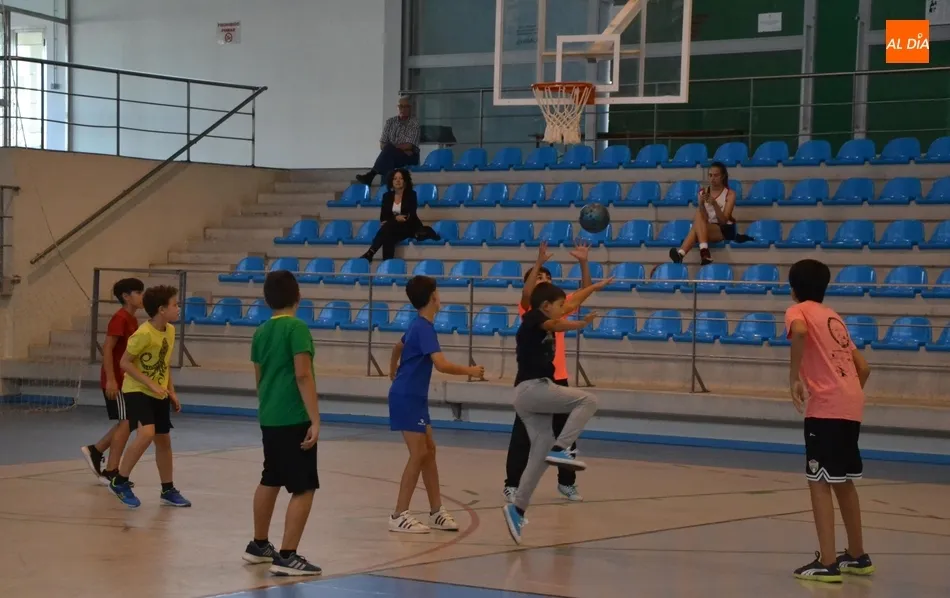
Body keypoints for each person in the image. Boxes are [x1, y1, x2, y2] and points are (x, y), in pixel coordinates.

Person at [503, 280, 611, 545]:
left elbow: (572, 304)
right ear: (545, 306)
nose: (564, 310)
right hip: (533, 389)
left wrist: (593, 288)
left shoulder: (545, 316)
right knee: (588, 400)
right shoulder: (533, 318)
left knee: (539, 455)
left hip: (530, 394)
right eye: (560, 305)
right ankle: (562, 448)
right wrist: (581, 324)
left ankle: (517, 509)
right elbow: (554, 324)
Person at [786, 259, 874, 583]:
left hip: (825, 409)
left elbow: (798, 331)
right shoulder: (834, 317)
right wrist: (845, 396)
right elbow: (863, 368)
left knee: (819, 482)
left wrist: (793, 377)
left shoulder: (798, 311)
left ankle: (827, 561)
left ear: (793, 290)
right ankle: (857, 555)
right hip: (852, 404)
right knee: (843, 481)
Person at [387, 275, 485, 533]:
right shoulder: (424, 328)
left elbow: (397, 347)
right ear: (433, 297)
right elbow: (440, 364)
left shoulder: (418, 325)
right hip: (407, 397)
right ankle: (398, 514)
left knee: (429, 450)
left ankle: (436, 511)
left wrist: (392, 370)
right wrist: (470, 370)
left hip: (413, 396)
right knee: (419, 453)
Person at [243, 270, 322, 576]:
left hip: (269, 416)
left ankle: (259, 545)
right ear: (297, 296)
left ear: (267, 300)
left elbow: (259, 377)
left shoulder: (260, 332)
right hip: (293, 416)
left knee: (271, 477)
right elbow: (303, 374)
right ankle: (288, 555)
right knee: (304, 487)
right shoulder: (297, 328)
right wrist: (315, 418)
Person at [503, 240, 595, 503]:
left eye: (547, 278)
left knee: (566, 433)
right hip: (532, 380)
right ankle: (512, 484)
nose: (543, 280)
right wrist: (539, 263)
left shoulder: (558, 307)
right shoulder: (530, 309)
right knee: (522, 435)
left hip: (558, 377)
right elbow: (527, 292)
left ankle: (567, 482)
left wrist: (584, 262)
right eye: (538, 278)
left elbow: (585, 291)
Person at [108, 285, 190, 509]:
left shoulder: (170, 331)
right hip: (137, 390)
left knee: (163, 441)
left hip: (158, 392)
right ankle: (119, 480)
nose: (178, 308)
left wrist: (171, 391)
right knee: (146, 433)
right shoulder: (143, 333)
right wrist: (150, 383)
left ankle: (168, 489)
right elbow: (124, 363)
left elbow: (164, 363)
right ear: (162, 309)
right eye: (175, 304)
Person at [81, 277, 143, 486]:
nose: (142, 296)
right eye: (138, 292)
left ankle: (96, 450)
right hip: (117, 380)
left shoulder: (132, 319)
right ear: (126, 296)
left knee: (129, 421)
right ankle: (111, 470)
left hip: (127, 380)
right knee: (126, 422)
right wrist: (111, 380)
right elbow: (107, 349)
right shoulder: (120, 318)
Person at [669, 161, 750, 266]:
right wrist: (701, 205)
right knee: (699, 215)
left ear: (723, 176)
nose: (712, 178)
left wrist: (715, 204)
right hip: (706, 227)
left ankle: (682, 254)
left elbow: (724, 221)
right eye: (710, 175)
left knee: (696, 227)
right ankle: (703, 252)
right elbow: (703, 218)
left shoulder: (730, 194)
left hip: (724, 229)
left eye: (716, 175)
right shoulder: (702, 192)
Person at [360, 168, 438, 262]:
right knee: (388, 236)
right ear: (391, 181)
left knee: (387, 228)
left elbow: (409, 215)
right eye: (395, 178)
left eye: (400, 178)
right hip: (393, 228)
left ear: (405, 181)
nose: (398, 181)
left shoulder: (411, 195)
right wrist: (395, 219)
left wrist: (392, 220)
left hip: (409, 227)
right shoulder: (387, 196)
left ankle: (371, 253)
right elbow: (383, 217)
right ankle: (387, 263)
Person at [353, 96, 420, 187]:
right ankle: (385, 185)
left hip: (409, 157)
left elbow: (409, 146)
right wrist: (395, 148)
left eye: (406, 106)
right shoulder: (390, 122)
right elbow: (382, 144)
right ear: (398, 107)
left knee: (388, 151)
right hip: (394, 155)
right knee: (388, 157)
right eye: (400, 106)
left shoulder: (414, 123)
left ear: (410, 108)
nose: (403, 109)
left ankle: (372, 175)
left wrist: (392, 147)